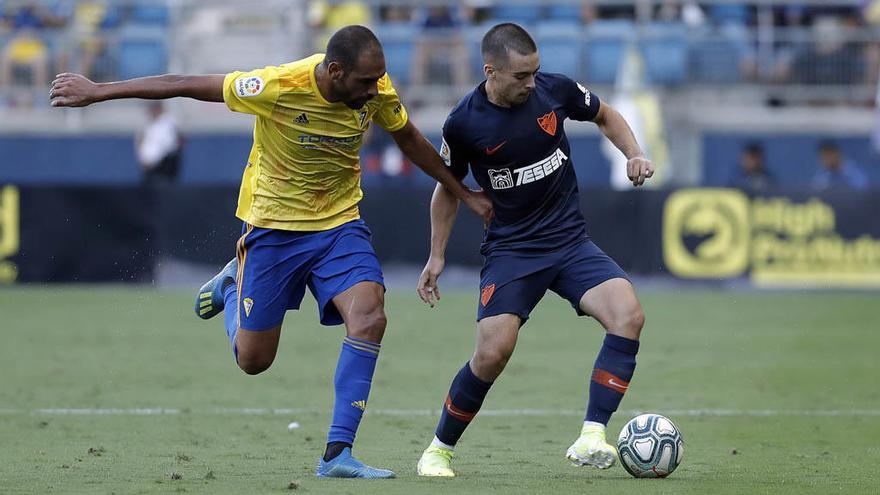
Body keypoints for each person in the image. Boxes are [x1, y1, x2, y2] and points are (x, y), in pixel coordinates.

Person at [50, 25, 492, 479]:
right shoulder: (277, 85)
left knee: (371, 317)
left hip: (339, 226)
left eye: (378, 78)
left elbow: (409, 139)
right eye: (364, 81)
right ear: (334, 71)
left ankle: (337, 455)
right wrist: (99, 91)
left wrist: (463, 191)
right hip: (274, 231)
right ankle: (232, 282)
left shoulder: (374, 89)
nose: (374, 88)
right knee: (254, 361)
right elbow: (181, 84)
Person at [414, 23, 653, 477]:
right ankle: (438, 449)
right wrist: (436, 256)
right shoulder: (464, 122)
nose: (531, 82)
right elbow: (446, 189)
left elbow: (607, 115)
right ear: (491, 71)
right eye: (522, 75)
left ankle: (591, 435)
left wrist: (633, 153)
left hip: (569, 242)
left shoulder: (554, 90)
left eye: (535, 72)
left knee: (628, 315)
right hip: (513, 251)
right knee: (492, 353)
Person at [135, 101, 182, 186]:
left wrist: (150, 162)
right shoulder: (153, 125)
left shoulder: (166, 124)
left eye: (152, 108)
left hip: (161, 170)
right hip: (153, 170)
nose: (149, 111)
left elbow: (165, 147)